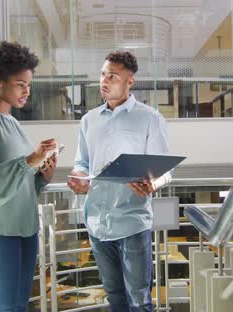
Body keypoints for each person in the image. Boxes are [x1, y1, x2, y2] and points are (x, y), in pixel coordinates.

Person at [67, 50, 171, 311]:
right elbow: (82, 162)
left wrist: (153, 183)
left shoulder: (150, 119)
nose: (104, 80)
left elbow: (166, 171)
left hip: (132, 223)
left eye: (112, 76)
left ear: (130, 81)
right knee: (114, 297)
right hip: (97, 223)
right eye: (103, 74)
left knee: (139, 301)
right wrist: (79, 174)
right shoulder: (88, 120)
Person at [0, 41, 58, 312]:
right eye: (20, 84)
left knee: (19, 304)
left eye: (29, 85)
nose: (26, 91)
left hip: (24, 225)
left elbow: (21, 180)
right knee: (4, 306)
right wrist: (30, 160)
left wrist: (43, 173)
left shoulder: (14, 123)